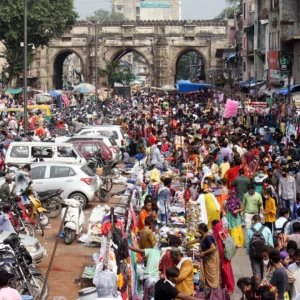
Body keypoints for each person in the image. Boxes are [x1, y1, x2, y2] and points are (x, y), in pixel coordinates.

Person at [183, 223, 220, 293]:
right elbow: (197, 240)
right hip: (207, 259)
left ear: (201, 229)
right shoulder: (203, 236)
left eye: (198, 228)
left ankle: (213, 290)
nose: (197, 230)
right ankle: (208, 289)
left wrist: (203, 253)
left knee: (211, 275)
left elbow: (213, 248)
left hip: (211, 259)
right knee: (207, 274)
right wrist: (186, 244)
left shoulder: (208, 237)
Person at [246, 214, 274, 284]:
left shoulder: (250, 230)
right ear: (260, 220)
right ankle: (264, 288)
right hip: (265, 254)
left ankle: (257, 289)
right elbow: (271, 243)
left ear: (253, 221)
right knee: (265, 272)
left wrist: (249, 253)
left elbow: (248, 243)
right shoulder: (267, 229)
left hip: (254, 254)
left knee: (256, 272)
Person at [212, 219, 235, 294]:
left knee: (226, 272)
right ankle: (223, 287)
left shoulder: (220, 232)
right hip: (222, 256)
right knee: (223, 272)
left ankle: (230, 288)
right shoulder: (221, 230)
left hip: (224, 256)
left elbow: (225, 244)